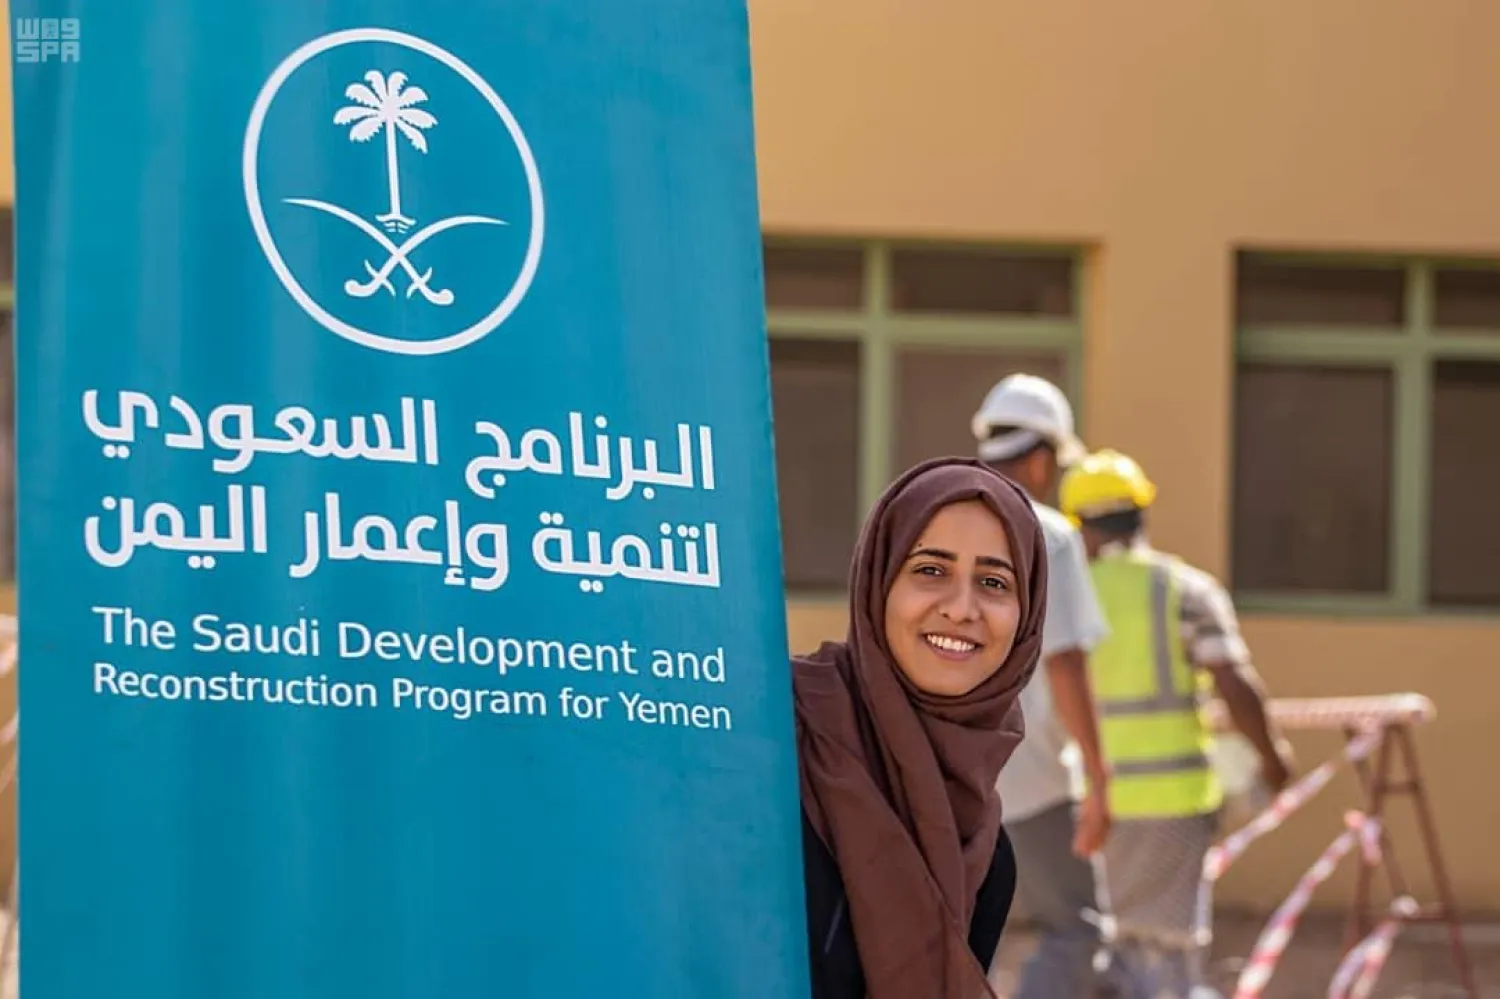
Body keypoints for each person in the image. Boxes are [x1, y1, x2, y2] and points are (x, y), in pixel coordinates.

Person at [796, 456, 1051, 999]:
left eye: (993, 582)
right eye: (930, 571)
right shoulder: (781, 741)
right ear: (878, 581)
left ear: (1026, 615)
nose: (962, 609)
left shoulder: (985, 855)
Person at [1058, 449, 1295, 999]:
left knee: (1104, 950)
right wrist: (1272, 759)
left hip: (1087, 803)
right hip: (1172, 803)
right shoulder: (1184, 590)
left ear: (1077, 525)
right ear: (1141, 512)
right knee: (1166, 956)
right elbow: (1235, 683)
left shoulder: (1063, 598)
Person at [971, 373, 1114, 998]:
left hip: (947, 763)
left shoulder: (943, 515)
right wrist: (1100, 780)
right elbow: (1065, 663)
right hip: (1029, 773)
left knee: (968, 932)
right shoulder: (1049, 534)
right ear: (1038, 457)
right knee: (1078, 930)